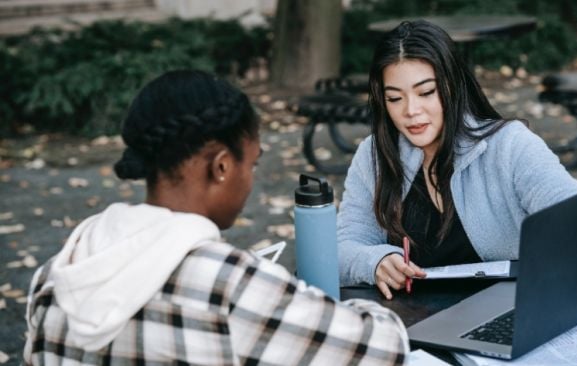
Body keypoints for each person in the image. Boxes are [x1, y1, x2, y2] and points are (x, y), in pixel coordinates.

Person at [23, 70, 409, 365]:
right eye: (252, 164)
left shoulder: (57, 274)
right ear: (222, 166)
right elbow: (381, 348)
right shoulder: (229, 284)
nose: (250, 180)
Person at [337, 20, 577, 300]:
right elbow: (341, 250)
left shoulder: (509, 145)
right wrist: (374, 262)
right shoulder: (374, 156)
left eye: (426, 92)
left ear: (451, 86)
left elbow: (572, 215)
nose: (410, 111)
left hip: (505, 317)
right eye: (395, 98)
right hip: (410, 326)